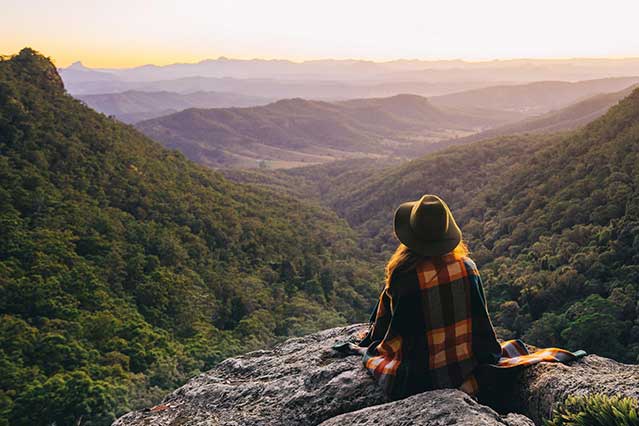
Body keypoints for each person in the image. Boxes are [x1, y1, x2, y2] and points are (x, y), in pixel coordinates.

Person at [349, 194, 584, 400]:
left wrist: (370, 344)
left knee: (372, 355)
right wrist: (486, 357)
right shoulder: (467, 267)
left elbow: (387, 331)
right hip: (464, 368)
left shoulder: (403, 275)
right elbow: (481, 325)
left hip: (416, 377)